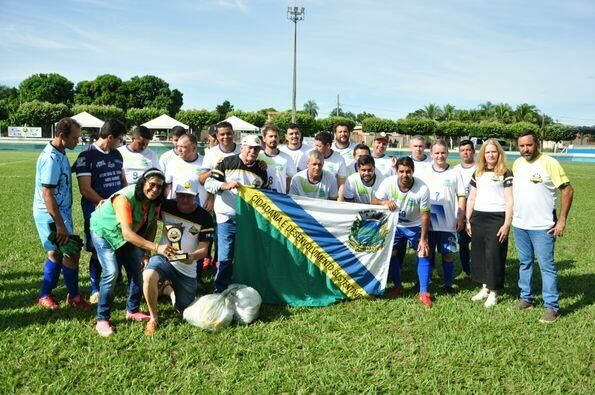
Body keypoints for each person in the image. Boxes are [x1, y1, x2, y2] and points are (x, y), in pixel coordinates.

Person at [90, 168, 173, 337]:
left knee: (137, 270)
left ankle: (132, 310)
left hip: (129, 235)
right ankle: (102, 319)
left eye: (159, 187)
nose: (155, 190)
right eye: (152, 185)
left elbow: (152, 225)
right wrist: (156, 247)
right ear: (143, 183)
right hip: (104, 232)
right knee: (112, 272)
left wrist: (145, 253)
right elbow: (127, 234)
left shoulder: (155, 201)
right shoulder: (124, 198)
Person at [512, 131, 574, 323]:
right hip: (519, 224)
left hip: (543, 226)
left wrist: (561, 220)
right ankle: (526, 298)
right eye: (521, 146)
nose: (525, 149)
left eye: (528, 145)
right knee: (525, 263)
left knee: (547, 267)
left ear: (536, 144)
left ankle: (552, 307)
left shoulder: (549, 162)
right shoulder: (517, 164)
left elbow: (568, 190)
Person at [142, 179, 214, 335]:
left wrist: (192, 256)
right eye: (181, 195)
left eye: (188, 196)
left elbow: (204, 249)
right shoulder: (166, 206)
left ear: (195, 196)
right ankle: (153, 319)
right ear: (175, 194)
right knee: (148, 276)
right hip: (164, 258)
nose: (184, 200)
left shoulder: (204, 217)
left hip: (186, 267)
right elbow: (146, 210)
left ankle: (168, 290)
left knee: (183, 310)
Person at [33, 117, 90, 310]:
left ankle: (47, 295)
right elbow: (47, 193)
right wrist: (59, 224)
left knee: (57, 253)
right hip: (51, 215)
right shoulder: (50, 159)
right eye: (74, 138)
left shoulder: (60, 152)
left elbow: (61, 175)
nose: (77, 141)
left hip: (60, 213)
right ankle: (72, 296)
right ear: (61, 135)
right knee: (70, 253)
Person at [73, 119, 127, 304]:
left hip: (117, 209)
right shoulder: (86, 156)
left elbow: (122, 181)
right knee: (97, 250)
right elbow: (85, 189)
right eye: (120, 139)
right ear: (110, 137)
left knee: (119, 245)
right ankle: (95, 289)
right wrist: (104, 203)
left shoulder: (117, 154)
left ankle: (113, 280)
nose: (121, 142)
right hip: (96, 211)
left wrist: (124, 200)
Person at [205, 135, 269, 293]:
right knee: (225, 256)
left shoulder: (261, 170)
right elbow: (209, 183)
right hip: (227, 218)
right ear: (242, 147)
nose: (253, 151)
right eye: (250, 147)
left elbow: (266, 195)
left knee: (247, 255)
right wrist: (225, 185)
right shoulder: (227, 162)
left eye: (257, 148)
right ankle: (220, 290)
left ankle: (243, 288)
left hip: (249, 221)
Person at [373, 157, 432, 306]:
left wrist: (423, 239)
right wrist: (384, 202)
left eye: (408, 171)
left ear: (413, 171)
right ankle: (398, 286)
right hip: (395, 225)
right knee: (390, 254)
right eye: (401, 171)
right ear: (396, 171)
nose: (404, 175)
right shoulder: (388, 183)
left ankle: (424, 292)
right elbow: (374, 200)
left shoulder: (422, 188)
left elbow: (425, 215)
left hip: (415, 225)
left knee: (423, 252)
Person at [465, 140, 513, 308]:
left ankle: (494, 292)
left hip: (496, 218)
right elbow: (471, 198)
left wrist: (507, 223)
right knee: (479, 254)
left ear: (499, 153)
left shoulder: (505, 172)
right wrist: (468, 220)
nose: (490, 155)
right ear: (483, 154)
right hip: (478, 217)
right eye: (487, 152)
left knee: (494, 255)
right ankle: (485, 287)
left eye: (494, 152)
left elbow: (509, 200)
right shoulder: (477, 172)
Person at [419, 140, 466, 296]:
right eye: (437, 153)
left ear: (448, 153)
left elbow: (461, 196)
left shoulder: (455, 172)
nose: (440, 156)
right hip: (429, 222)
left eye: (443, 152)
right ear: (431, 154)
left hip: (447, 222)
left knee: (447, 253)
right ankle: (426, 284)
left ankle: (448, 284)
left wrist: (460, 216)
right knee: (427, 252)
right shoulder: (425, 172)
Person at [164, 134, 212, 211]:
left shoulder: (205, 162)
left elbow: (212, 184)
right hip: (176, 207)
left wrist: (211, 199)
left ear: (193, 148)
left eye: (183, 147)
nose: (179, 149)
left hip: (199, 208)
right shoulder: (172, 162)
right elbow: (167, 185)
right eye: (178, 146)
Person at [454, 139, 476, 276]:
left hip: (478, 209)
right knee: (462, 243)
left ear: (473, 151)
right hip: (462, 209)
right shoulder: (455, 170)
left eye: (468, 150)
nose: (465, 153)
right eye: (462, 150)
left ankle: (477, 268)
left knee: (477, 242)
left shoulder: (480, 168)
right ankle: (467, 269)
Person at [199, 121, 240, 186]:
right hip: (221, 194)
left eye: (228, 133)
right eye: (222, 134)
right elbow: (201, 180)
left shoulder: (243, 150)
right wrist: (214, 170)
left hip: (241, 194)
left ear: (233, 134)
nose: (226, 136)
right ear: (217, 136)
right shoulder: (210, 153)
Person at [258, 124, 297, 194]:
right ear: (264, 138)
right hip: (262, 198)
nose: (274, 139)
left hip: (278, 199)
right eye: (271, 136)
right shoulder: (258, 156)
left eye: (276, 136)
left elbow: (293, 178)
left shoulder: (286, 158)